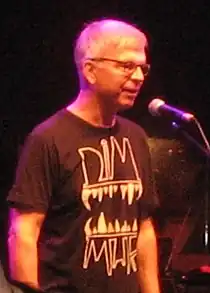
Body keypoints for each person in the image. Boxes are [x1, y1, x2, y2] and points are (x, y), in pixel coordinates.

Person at [7, 18, 161, 293]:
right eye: (126, 66)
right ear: (90, 70)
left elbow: (143, 227)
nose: (138, 77)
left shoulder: (136, 137)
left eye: (142, 68)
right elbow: (24, 232)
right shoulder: (48, 138)